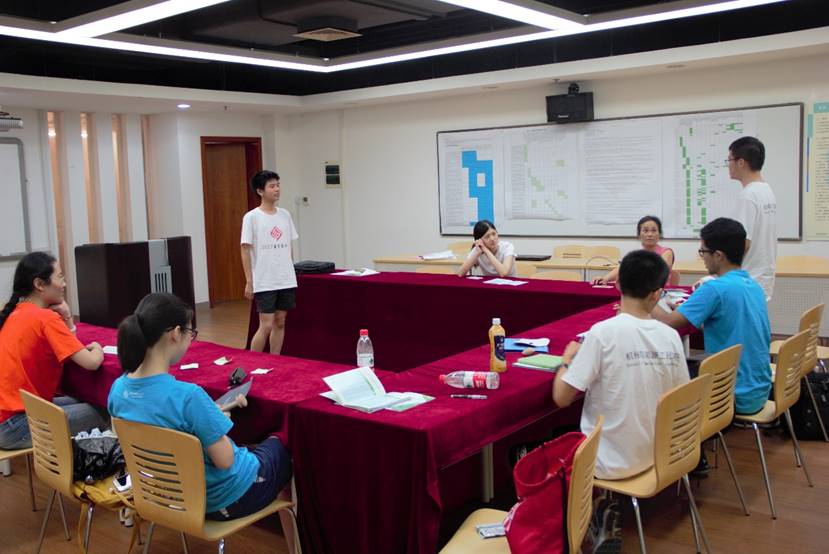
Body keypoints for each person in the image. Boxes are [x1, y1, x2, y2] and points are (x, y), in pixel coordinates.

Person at [108, 292, 292, 521]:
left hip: (172, 496)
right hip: (225, 498)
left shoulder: (118, 389)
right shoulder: (189, 397)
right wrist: (214, 422)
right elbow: (225, 460)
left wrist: (210, 417)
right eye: (190, 333)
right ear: (176, 334)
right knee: (284, 438)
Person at [554, 250, 688, 552]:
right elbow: (681, 396)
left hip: (609, 465)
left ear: (617, 285)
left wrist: (567, 359)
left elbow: (561, 398)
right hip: (661, 455)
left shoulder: (602, 334)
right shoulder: (670, 336)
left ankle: (594, 511)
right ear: (658, 294)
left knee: (546, 442)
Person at [654, 217, 771, 416]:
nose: (702, 257)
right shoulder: (753, 286)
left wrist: (643, 296)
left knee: (662, 376)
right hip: (758, 391)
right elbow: (728, 323)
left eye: (703, 252)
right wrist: (688, 312)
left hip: (730, 396)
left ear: (718, 255)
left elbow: (669, 322)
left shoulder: (714, 288)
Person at [0, 252, 107, 449]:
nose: (64, 284)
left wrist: (66, 317)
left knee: (87, 398)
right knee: (105, 409)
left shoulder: (15, 312)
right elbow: (91, 363)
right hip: (17, 425)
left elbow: (68, 347)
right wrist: (98, 348)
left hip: (11, 418)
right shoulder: (46, 318)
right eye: (60, 277)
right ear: (40, 284)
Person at [241, 170, 299, 354]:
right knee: (266, 325)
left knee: (280, 321)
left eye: (278, 185)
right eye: (272, 186)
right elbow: (245, 250)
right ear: (260, 191)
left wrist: (290, 270)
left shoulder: (285, 215)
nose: (277, 189)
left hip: (285, 278)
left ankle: (276, 360)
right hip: (265, 279)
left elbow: (289, 245)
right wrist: (249, 280)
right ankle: (253, 361)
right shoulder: (251, 217)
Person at [728, 136, 777, 300]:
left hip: (747, 279)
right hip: (762, 278)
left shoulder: (748, 195)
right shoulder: (766, 190)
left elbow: (742, 242)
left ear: (741, 162)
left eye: (729, 160)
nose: (728, 165)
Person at [593, 215, 675, 285]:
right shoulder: (637, 255)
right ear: (639, 235)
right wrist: (605, 278)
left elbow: (659, 273)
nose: (650, 234)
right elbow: (622, 269)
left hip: (659, 293)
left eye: (654, 230)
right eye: (645, 230)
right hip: (639, 293)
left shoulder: (667, 252)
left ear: (659, 234)